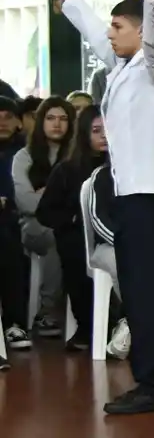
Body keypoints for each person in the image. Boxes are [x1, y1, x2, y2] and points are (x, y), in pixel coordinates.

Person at [52, 0, 154, 416]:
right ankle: (153, 379)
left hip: (151, 196)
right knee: (138, 289)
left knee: (149, 291)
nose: (109, 33)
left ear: (140, 30)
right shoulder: (122, 67)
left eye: (118, 25)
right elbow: (92, 33)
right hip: (130, 195)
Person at [36, 107, 110, 352]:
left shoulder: (125, 168)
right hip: (78, 238)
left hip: (116, 237)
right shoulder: (67, 170)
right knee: (73, 246)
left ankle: (120, 325)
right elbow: (45, 212)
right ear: (84, 134)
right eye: (97, 130)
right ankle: (87, 326)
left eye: (108, 130)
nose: (104, 136)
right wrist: (74, 219)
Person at [11, 96, 75, 341]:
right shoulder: (24, 157)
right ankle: (47, 310)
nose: (57, 124)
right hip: (34, 225)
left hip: (72, 223)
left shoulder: (77, 155)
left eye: (63, 118)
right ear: (40, 122)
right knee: (55, 235)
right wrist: (57, 199)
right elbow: (25, 202)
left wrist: (46, 194)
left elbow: (82, 200)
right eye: (50, 118)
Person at [0, 97, 29, 351]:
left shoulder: (27, 152)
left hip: (17, 218)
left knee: (9, 242)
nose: (2, 122)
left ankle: (14, 322)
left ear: (19, 122)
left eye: (8, 116)